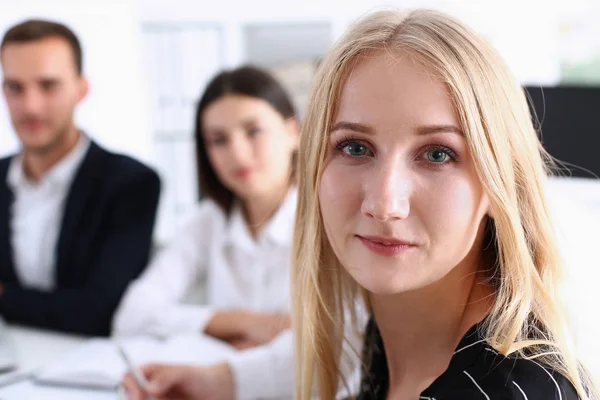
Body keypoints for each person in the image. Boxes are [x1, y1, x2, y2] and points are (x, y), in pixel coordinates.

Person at [292, 8, 598, 400]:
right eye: (354, 147)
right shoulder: (390, 337)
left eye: (437, 154)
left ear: (499, 183)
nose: (385, 204)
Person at [117, 65, 301, 399]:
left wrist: (218, 337)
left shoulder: (330, 221)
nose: (237, 153)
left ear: (293, 132)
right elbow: (131, 315)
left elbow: (326, 347)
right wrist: (242, 323)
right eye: (218, 140)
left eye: (253, 131)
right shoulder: (209, 221)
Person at [0, 19, 160, 336]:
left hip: (88, 368)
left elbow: (98, 312)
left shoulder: (131, 184)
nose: (30, 107)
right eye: (15, 87)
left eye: (48, 86)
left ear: (81, 89)